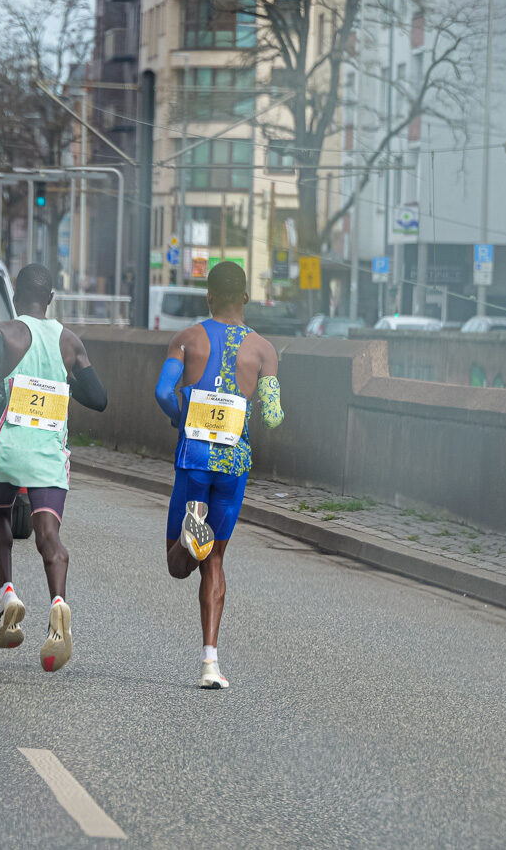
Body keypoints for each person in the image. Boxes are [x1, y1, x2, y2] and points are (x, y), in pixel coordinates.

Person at [153, 261, 285, 689]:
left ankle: (193, 534)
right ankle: (210, 662)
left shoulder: (186, 339)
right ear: (246, 297)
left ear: (209, 296)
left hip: (193, 456)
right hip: (233, 463)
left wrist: (181, 417)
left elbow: (161, 391)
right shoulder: (265, 350)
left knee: (178, 565)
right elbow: (274, 413)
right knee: (216, 561)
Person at [0, 263, 108, 673]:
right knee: (48, 536)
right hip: (49, 454)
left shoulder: (1, 332)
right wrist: (62, 384)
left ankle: (9, 595)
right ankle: (58, 604)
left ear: (15, 297)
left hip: (11, 448)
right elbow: (98, 398)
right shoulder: (69, 342)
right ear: (50, 299)